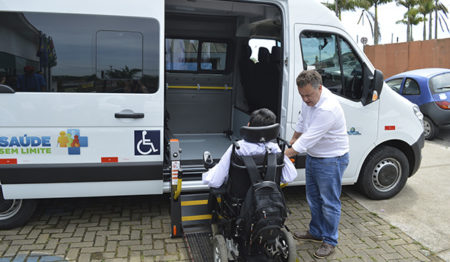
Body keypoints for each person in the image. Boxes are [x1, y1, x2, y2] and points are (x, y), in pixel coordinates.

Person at [285, 70, 349, 259]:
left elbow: (308, 140)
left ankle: (329, 240)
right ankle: (316, 232)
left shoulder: (327, 108)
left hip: (332, 159)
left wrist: (284, 154)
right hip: (315, 156)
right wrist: (293, 138)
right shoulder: (309, 98)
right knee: (313, 198)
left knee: (329, 202)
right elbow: (303, 121)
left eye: (308, 95)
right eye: (302, 95)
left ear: (319, 88)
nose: (305, 99)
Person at [202, 108, 297, 189]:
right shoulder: (274, 148)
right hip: (266, 192)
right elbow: (290, 176)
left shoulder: (238, 147)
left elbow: (215, 181)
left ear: (248, 125)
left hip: (239, 194)